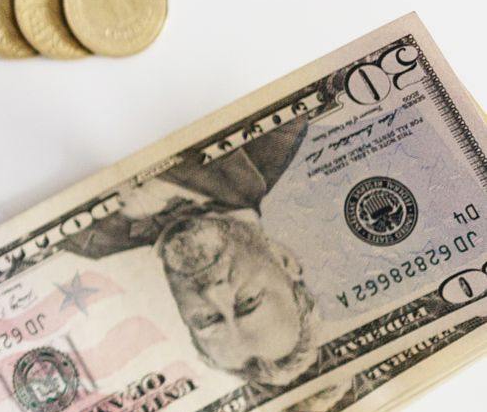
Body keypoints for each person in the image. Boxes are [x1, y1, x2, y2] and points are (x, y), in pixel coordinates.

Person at [61, 117, 321, 389]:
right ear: (284, 260)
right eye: (247, 301)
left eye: (207, 319)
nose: (212, 293)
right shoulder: (277, 133)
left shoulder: (82, 241)